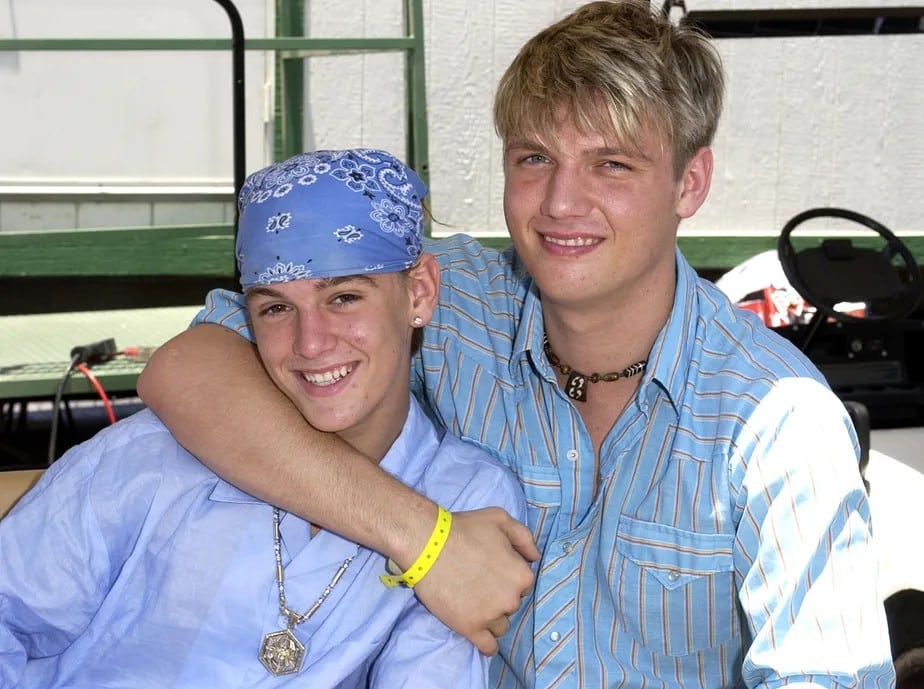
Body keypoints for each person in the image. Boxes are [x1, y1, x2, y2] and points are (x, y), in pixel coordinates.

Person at [138, 1, 895, 687]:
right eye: (534, 158)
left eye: (612, 164)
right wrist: (427, 540)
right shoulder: (449, 301)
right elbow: (189, 367)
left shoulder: (777, 423)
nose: (562, 202)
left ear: (690, 183)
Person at [0, 148, 525, 688]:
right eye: (275, 308)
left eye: (344, 297)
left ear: (419, 292)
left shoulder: (466, 497)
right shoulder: (150, 458)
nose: (311, 343)